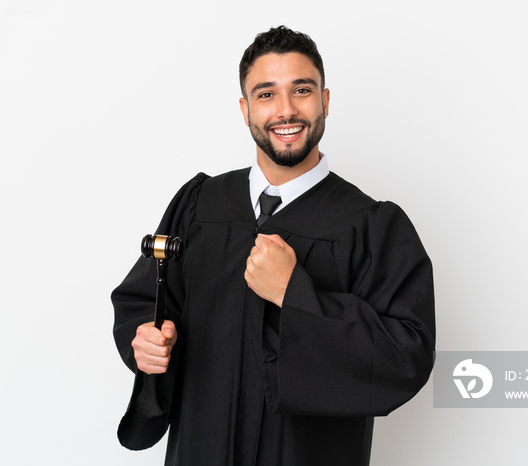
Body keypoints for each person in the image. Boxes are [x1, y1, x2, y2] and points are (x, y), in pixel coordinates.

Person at [112, 25, 435, 466]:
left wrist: (293, 294)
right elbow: (144, 300)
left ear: (324, 101)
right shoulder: (199, 205)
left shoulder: (372, 226)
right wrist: (144, 341)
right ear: (245, 110)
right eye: (266, 95)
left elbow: (407, 356)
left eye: (301, 90)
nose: (286, 110)